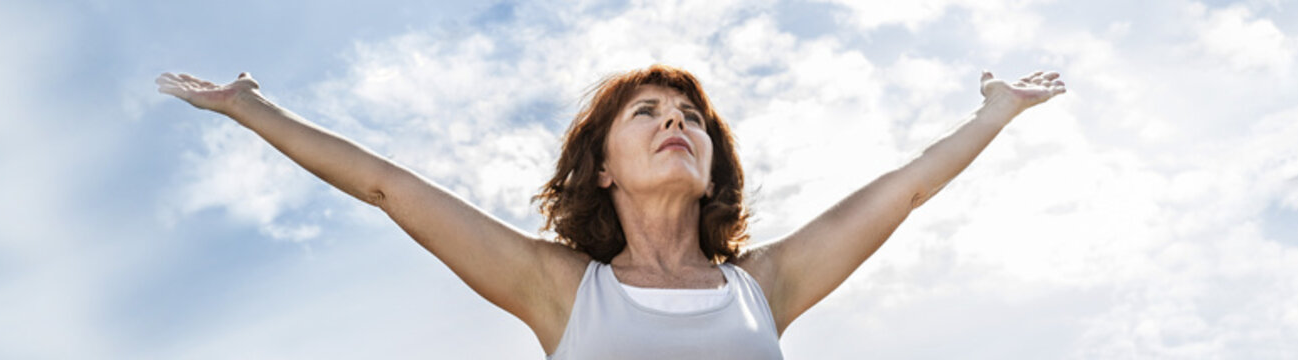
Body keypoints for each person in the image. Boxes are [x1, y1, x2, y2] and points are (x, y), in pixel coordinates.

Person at [157, 64, 1064, 358]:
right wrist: (253, 110)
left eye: (691, 119)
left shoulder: (765, 287)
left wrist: (993, 114)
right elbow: (388, 184)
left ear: (713, 170)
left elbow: (902, 189)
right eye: (650, 115)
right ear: (601, 169)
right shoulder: (560, 289)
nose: (678, 124)